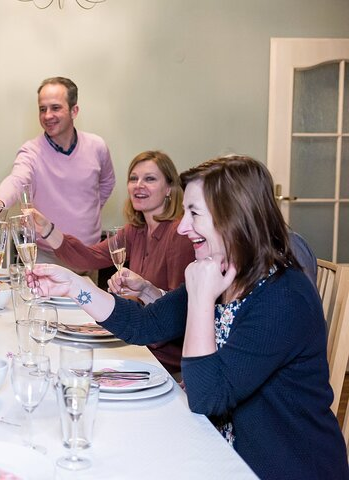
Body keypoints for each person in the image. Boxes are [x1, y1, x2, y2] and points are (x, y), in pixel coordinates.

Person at [27, 156, 348, 479]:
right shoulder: (220, 271)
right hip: (221, 450)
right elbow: (143, 324)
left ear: (232, 218)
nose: (181, 227)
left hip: (280, 467)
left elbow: (207, 395)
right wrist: (75, 286)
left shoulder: (283, 296)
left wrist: (201, 300)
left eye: (193, 214)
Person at [33, 151, 195, 373]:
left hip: (163, 360)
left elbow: (182, 313)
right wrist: (46, 228)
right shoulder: (135, 231)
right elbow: (87, 259)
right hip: (136, 342)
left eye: (150, 179)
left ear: (169, 188)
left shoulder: (180, 234)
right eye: (133, 178)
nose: (139, 185)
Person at [0, 77, 116, 266]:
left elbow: (107, 183)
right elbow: (17, 180)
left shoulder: (97, 146)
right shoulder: (31, 151)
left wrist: (89, 210)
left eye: (55, 108)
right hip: (45, 256)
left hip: (87, 255)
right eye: (42, 109)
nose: (47, 116)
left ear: (74, 110)